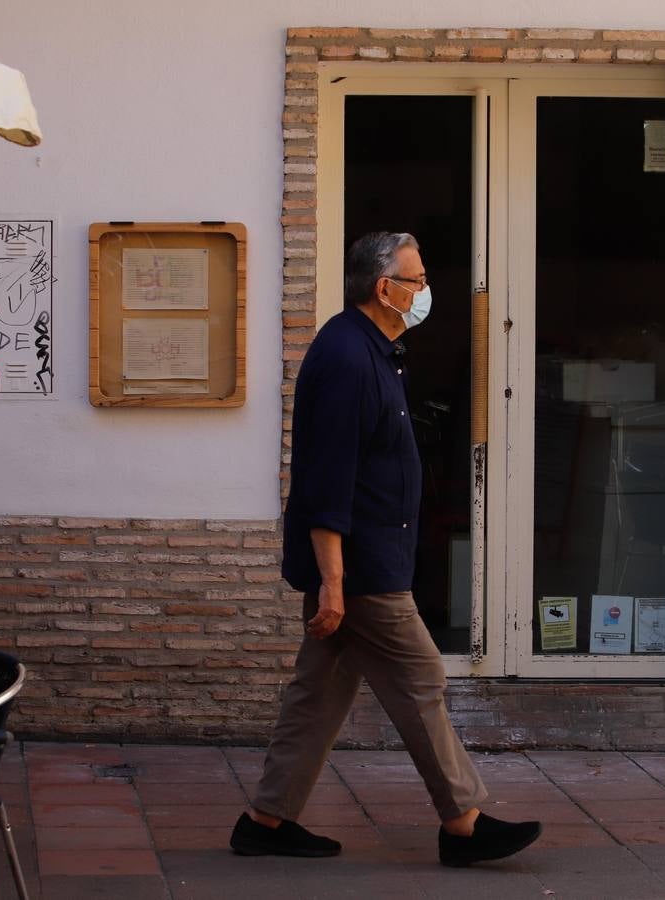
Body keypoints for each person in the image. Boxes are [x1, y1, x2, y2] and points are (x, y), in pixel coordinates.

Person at [229, 232, 542, 868]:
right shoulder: (347, 358)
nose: (426, 291)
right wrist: (334, 582)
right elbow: (326, 482)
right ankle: (463, 823)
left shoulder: (375, 351)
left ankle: (265, 819)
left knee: (318, 695)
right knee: (422, 676)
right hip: (362, 570)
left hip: (366, 562)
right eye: (418, 279)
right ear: (385, 288)